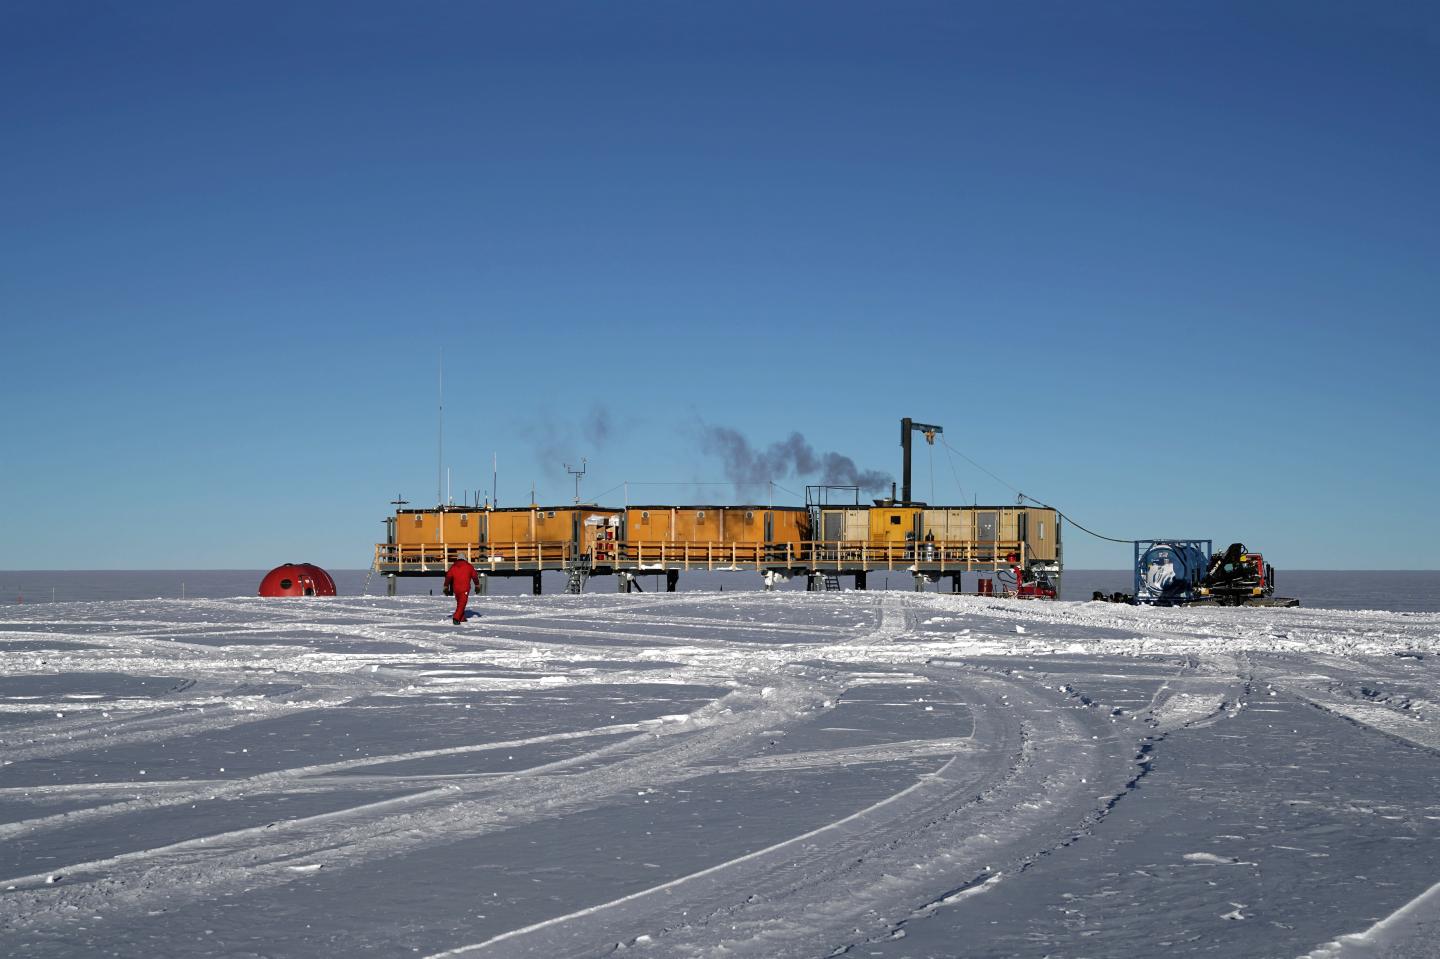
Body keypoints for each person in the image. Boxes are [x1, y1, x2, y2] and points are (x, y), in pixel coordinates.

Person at [443, 556, 480, 624]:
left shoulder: (453, 566)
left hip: (456, 589)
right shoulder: (469, 566)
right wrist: (477, 585)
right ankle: (456, 618)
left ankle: (461, 618)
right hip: (464, 588)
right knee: (462, 603)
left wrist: (446, 586)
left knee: (459, 603)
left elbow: (448, 577)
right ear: (465, 559)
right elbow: (475, 576)